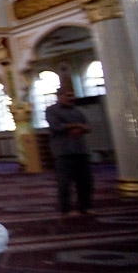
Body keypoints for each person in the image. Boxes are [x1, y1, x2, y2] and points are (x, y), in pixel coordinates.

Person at [45, 88, 94, 216]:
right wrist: (77, 126)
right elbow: (56, 126)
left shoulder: (77, 111)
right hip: (63, 152)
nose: (71, 98)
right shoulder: (52, 110)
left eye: (72, 95)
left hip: (80, 150)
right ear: (59, 96)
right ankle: (66, 209)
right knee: (64, 183)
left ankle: (85, 206)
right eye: (68, 95)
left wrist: (76, 127)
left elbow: (87, 127)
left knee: (85, 182)